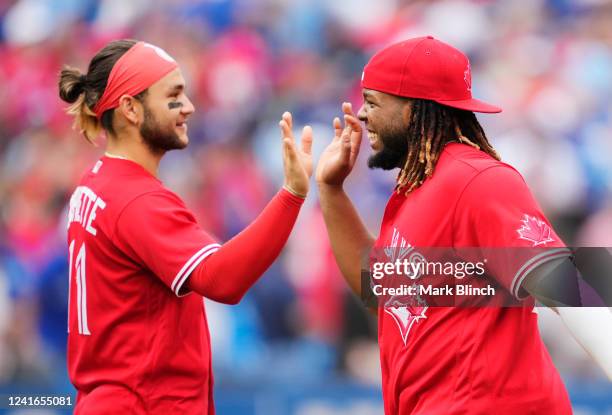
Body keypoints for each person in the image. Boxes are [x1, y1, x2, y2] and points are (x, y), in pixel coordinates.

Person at [316, 36, 612, 414]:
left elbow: (566, 289)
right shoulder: (415, 191)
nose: (361, 114)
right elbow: (383, 295)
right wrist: (331, 191)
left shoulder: (478, 179)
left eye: (373, 102)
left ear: (412, 110)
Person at [58, 39, 312, 414]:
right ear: (130, 108)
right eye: (173, 96)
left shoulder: (96, 179)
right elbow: (222, 280)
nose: (188, 107)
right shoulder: (136, 199)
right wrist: (291, 194)